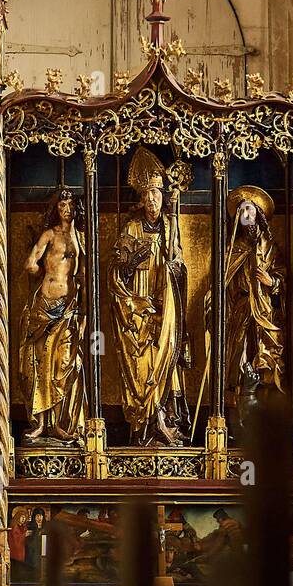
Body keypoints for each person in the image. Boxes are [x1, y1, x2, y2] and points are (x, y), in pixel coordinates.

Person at [108, 148, 191, 446]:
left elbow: (179, 267)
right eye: (147, 194)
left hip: (163, 308)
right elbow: (115, 274)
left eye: (156, 193)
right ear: (141, 199)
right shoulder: (131, 228)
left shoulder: (170, 226)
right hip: (138, 310)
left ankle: (165, 421)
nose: (152, 199)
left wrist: (173, 268)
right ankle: (146, 426)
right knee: (143, 366)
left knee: (166, 361)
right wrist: (132, 268)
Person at [19, 186, 88, 441]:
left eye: (70, 206)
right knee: (40, 364)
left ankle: (59, 423)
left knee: (63, 363)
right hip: (44, 306)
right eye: (62, 206)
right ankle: (40, 424)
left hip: (68, 308)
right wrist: (43, 274)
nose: (66, 210)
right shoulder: (49, 234)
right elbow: (30, 263)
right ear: (56, 209)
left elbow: (85, 274)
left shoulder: (81, 237)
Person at [223, 185, 286, 404]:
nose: (246, 215)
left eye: (249, 209)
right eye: (241, 211)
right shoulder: (233, 248)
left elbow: (284, 278)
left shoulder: (270, 248)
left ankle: (265, 407)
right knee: (239, 356)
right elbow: (225, 282)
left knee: (266, 355)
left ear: (258, 213)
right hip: (241, 310)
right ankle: (238, 406)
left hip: (264, 310)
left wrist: (272, 282)